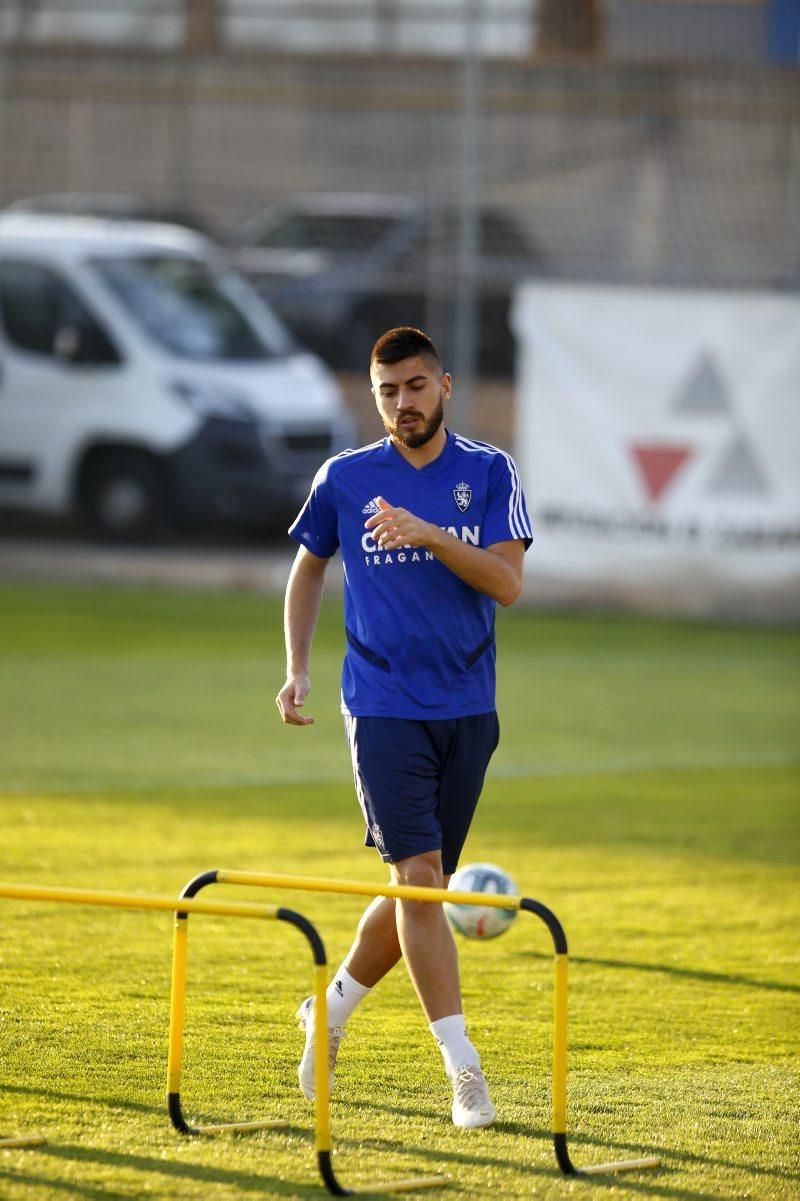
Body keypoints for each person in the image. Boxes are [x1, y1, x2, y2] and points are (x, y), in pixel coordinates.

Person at [275, 326, 532, 1129]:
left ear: (445, 386)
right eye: (387, 391)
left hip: (468, 708)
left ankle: (331, 1007)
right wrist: (299, 666)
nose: (401, 404)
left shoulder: (489, 472)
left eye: (415, 386)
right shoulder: (345, 478)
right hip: (381, 705)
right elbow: (309, 562)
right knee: (422, 881)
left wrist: (430, 534)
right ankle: (466, 1072)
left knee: (410, 886)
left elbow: (508, 582)